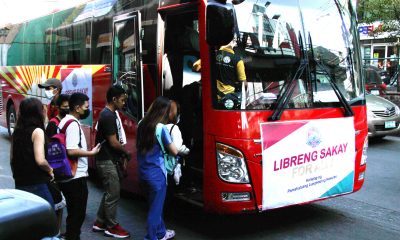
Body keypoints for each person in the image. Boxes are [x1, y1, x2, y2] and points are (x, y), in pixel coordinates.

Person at [58, 92, 101, 240]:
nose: (87, 110)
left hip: (67, 175)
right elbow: (71, 150)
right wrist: (91, 153)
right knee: (77, 215)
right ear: (77, 108)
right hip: (75, 177)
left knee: (73, 215)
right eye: (85, 107)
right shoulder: (73, 125)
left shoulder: (64, 121)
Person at [137, 96, 178, 240]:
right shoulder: (161, 128)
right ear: (164, 111)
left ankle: (161, 232)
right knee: (155, 210)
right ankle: (151, 237)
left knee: (154, 205)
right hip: (157, 174)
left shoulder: (141, 123)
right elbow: (174, 150)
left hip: (143, 172)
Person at [93, 85, 131, 238]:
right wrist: (126, 152)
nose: (124, 103)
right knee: (113, 193)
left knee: (110, 192)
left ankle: (100, 222)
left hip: (107, 159)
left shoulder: (110, 114)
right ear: (114, 99)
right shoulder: (108, 116)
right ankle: (111, 226)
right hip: (105, 160)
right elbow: (113, 142)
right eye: (122, 100)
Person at [10, 98, 55, 206]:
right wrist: (50, 170)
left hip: (20, 183)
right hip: (37, 184)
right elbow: (40, 160)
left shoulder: (17, 131)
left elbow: (12, 159)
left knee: (27, 218)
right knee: (47, 217)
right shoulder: (37, 131)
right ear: (38, 113)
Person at [45, 93, 69, 236]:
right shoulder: (53, 124)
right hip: (56, 168)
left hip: (66, 167)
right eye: (64, 106)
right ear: (58, 107)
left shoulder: (68, 121)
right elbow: (49, 149)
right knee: (58, 202)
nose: (67, 108)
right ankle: (56, 231)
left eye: (68, 106)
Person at [166, 100, 190, 185]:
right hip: (171, 164)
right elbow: (177, 148)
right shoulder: (174, 128)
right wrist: (187, 151)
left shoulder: (159, 125)